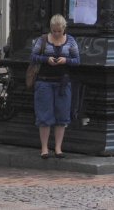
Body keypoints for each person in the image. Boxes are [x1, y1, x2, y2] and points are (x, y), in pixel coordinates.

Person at [30, 14, 80, 158]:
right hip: (44, 81)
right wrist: (47, 59)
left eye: (59, 31)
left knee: (62, 116)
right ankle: (44, 148)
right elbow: (33, 57)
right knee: (44, 116)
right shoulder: (43, 40)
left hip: (63, 82)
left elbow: (77, 60)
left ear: (64, 29)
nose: (56, 33)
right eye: (54, 31)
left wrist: (66, 60)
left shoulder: (70, 40)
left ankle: (58, 148)